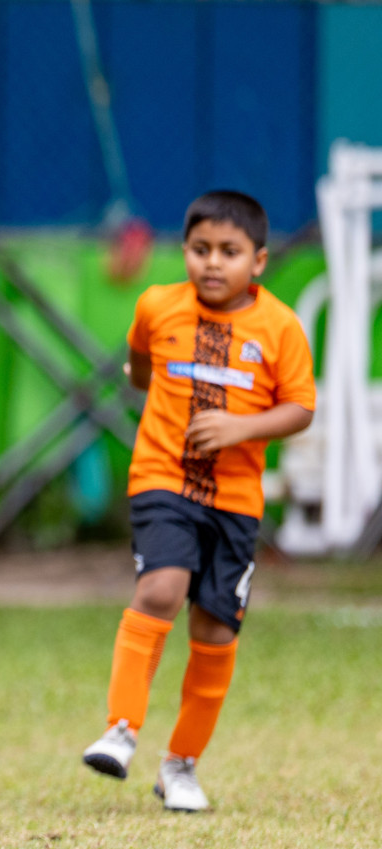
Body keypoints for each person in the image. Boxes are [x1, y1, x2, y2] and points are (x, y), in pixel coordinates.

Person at [82, 190, 315, 811]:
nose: (213, 263)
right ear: (184, 250)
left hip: (236, 500)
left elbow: (300, 408)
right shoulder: (158, 306)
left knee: (214, 629)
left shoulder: (280, 327)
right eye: (200, 249)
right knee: (160, 588)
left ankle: (180, 765)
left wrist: (240, 429)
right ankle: (121, 728)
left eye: (230, 252)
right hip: (162, 477)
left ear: (258, 262)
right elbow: (139, 361)